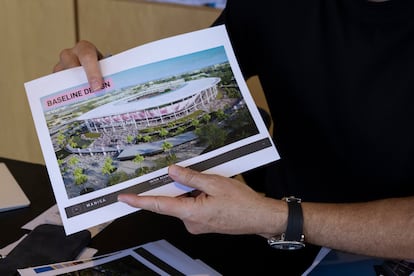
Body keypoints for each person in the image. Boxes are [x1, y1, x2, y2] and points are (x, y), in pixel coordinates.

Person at [54, 0, 414, 274]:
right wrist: (99, 81)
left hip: (374, 247)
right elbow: (197, 71)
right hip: (273, 236)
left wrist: (277, 218)